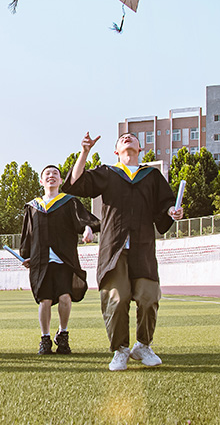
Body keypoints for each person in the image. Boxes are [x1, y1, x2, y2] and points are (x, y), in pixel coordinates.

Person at [61, 132, 183, 371]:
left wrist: (172, 212)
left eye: (132, 138)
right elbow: (75, 184)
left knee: (148, 298)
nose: (127, 139)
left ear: (140, 149)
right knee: (116, 299)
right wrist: (84, 151)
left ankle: (142, 345)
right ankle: (120, 349)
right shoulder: (108, 173)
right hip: (114, 248)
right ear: (116, 150)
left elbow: (166, 204)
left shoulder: (152, 176)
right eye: (122, 138)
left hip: (143, 247)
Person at [20, 164, 99, 355]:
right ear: (41, 181)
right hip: (41, 260)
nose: (51, 176)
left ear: (61, 181)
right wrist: (26, 255)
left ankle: (62, 335)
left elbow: (85, 221)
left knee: (65, 297)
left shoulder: (69, 202)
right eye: (47, 173)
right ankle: (45, 338)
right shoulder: (33, 207)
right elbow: (27, 235)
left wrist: (88, 229)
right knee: (44, 300)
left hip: (63, 259)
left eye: (55, 173)